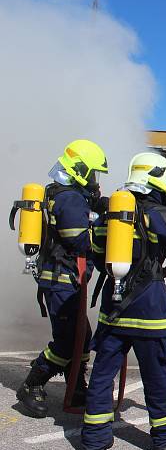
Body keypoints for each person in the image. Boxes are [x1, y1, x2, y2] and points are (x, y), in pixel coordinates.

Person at [81, 152, 166, 450]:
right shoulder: (157, 213)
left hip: (113, 307)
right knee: (156, 374)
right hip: (150, 309)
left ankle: (94, 438)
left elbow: (98, 252)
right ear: (156, 179)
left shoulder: (110, 214)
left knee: (103, 373)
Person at [16, 140, 109, 418]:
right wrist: (105, 227)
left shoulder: (66, 194)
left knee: (82, 335)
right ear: (79, 171)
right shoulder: (69, 198)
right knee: (69, 340)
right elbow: (79, 241)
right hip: (60, 279)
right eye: (92, 174)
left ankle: (76, 386)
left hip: (66, 277)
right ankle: (32, 384)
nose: (95, 180)